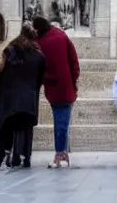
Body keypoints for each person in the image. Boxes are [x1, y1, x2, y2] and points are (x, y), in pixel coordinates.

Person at [0, 23, 46, 168]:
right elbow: (40, 77)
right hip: (29, 95)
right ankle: (25, 155)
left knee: (9, 125)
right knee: (26, 127)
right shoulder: (38, 56)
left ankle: (6, 153)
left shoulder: (10, 50)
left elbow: (1, 70)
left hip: (10, 96)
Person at [32, 16, 80, 168]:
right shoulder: (61, 35)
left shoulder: (40, 43)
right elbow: (73, 59)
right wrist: (74, 80)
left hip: (54, 88)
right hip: (67, 86)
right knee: (62, 121)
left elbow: (39, 68)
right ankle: (62, 151)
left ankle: (60, 153)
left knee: (60, 122)